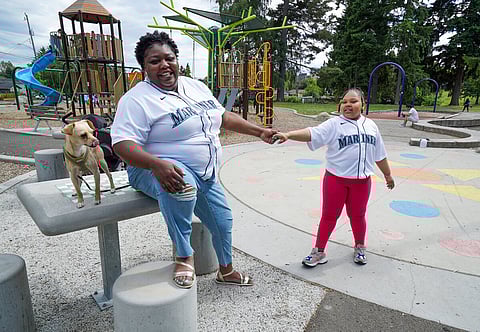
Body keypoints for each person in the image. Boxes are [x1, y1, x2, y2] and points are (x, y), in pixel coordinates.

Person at [111, 31, 277, 289]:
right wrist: (156, 164)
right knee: (182, 187)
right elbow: (122, 144)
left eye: (169, 58)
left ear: (177, 60)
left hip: (205, 172)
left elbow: (222, 117)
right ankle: (184, 257)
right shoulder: (136, 100)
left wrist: (260, 131)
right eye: (155, 61)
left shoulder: (195, 86)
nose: (164, 65)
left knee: (222, 220)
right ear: (144, 67)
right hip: (152, 167)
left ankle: (226, 270)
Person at [272, 88, 395, 266]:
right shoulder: (334, 124)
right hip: (336, 180)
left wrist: (388, 175)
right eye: (344, 102)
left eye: (353, 101)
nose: (348, 105)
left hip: (361, 182)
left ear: (362, 104)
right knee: (329, 216)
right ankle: (319, 251)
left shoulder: (371, 126)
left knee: (358, 215)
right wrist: (289, 135)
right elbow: (312, 133)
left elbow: (380, 154)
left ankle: (360, 247)